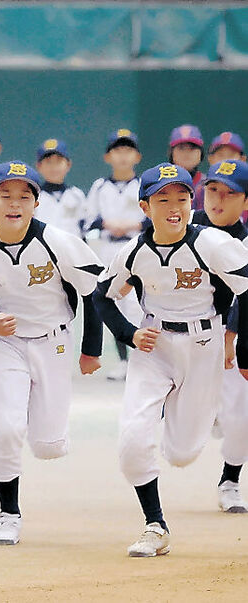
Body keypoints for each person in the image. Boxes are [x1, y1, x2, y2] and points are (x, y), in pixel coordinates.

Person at [94, 163, 248, 557]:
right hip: (154, 345)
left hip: (204, 346)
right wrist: (128, 334)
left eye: (181, 197)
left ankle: (192, 416)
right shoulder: (133, 252)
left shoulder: (211, 243)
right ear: (145, 207)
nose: (174, 206)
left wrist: (242, 348)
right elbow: (101, 297)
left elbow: (247, 288)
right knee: (132, 441)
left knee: (182, 452)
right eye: (163, 199)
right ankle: (154, 524)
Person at [0, 161, 103, 546]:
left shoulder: (56, 241)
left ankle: (46, 432)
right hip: (8, 345)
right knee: (5, 430)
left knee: (47, 446)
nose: (14, 203)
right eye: (5, 195)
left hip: (54, 341)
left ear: (36, 204)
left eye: (25, 196)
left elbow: (93, 292)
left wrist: (91, 351)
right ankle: (9, 514)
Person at [193, 160, 248, 513]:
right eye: (213, 190)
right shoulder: (181, 226)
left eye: (230, 194)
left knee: (240, 419)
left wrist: (232, 337)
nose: (218, 199)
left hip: (232, 335)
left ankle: (230, 479)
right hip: (182, 332)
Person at [85, 128, 145, 381]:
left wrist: (132, 226)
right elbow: (89, 219)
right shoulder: (100, 187)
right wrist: (108, 224)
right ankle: (123, 360)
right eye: (117, 150)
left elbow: (153, 218)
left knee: (139, 305)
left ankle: (143, 359)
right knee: (114, 302)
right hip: (110, 248)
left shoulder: (143, 184)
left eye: (128, 150)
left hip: (138, 247)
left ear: (137, 156)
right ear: (108, 156)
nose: (122, 156)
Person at [34, 138, 85, 238]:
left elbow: (83, 228)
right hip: (43, 249)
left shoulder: (77, 195)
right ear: (39, 166)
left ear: (68, 164)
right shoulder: (34, 196)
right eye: (48, 162)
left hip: (71, 250)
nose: (53, 167)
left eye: (58, 161)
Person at [167, 125, 205, 209]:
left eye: (192, 148)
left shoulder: (211, 187)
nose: (186, 153)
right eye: (181, 148)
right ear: (171, 153)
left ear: (201, 153)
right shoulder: (159, 186)